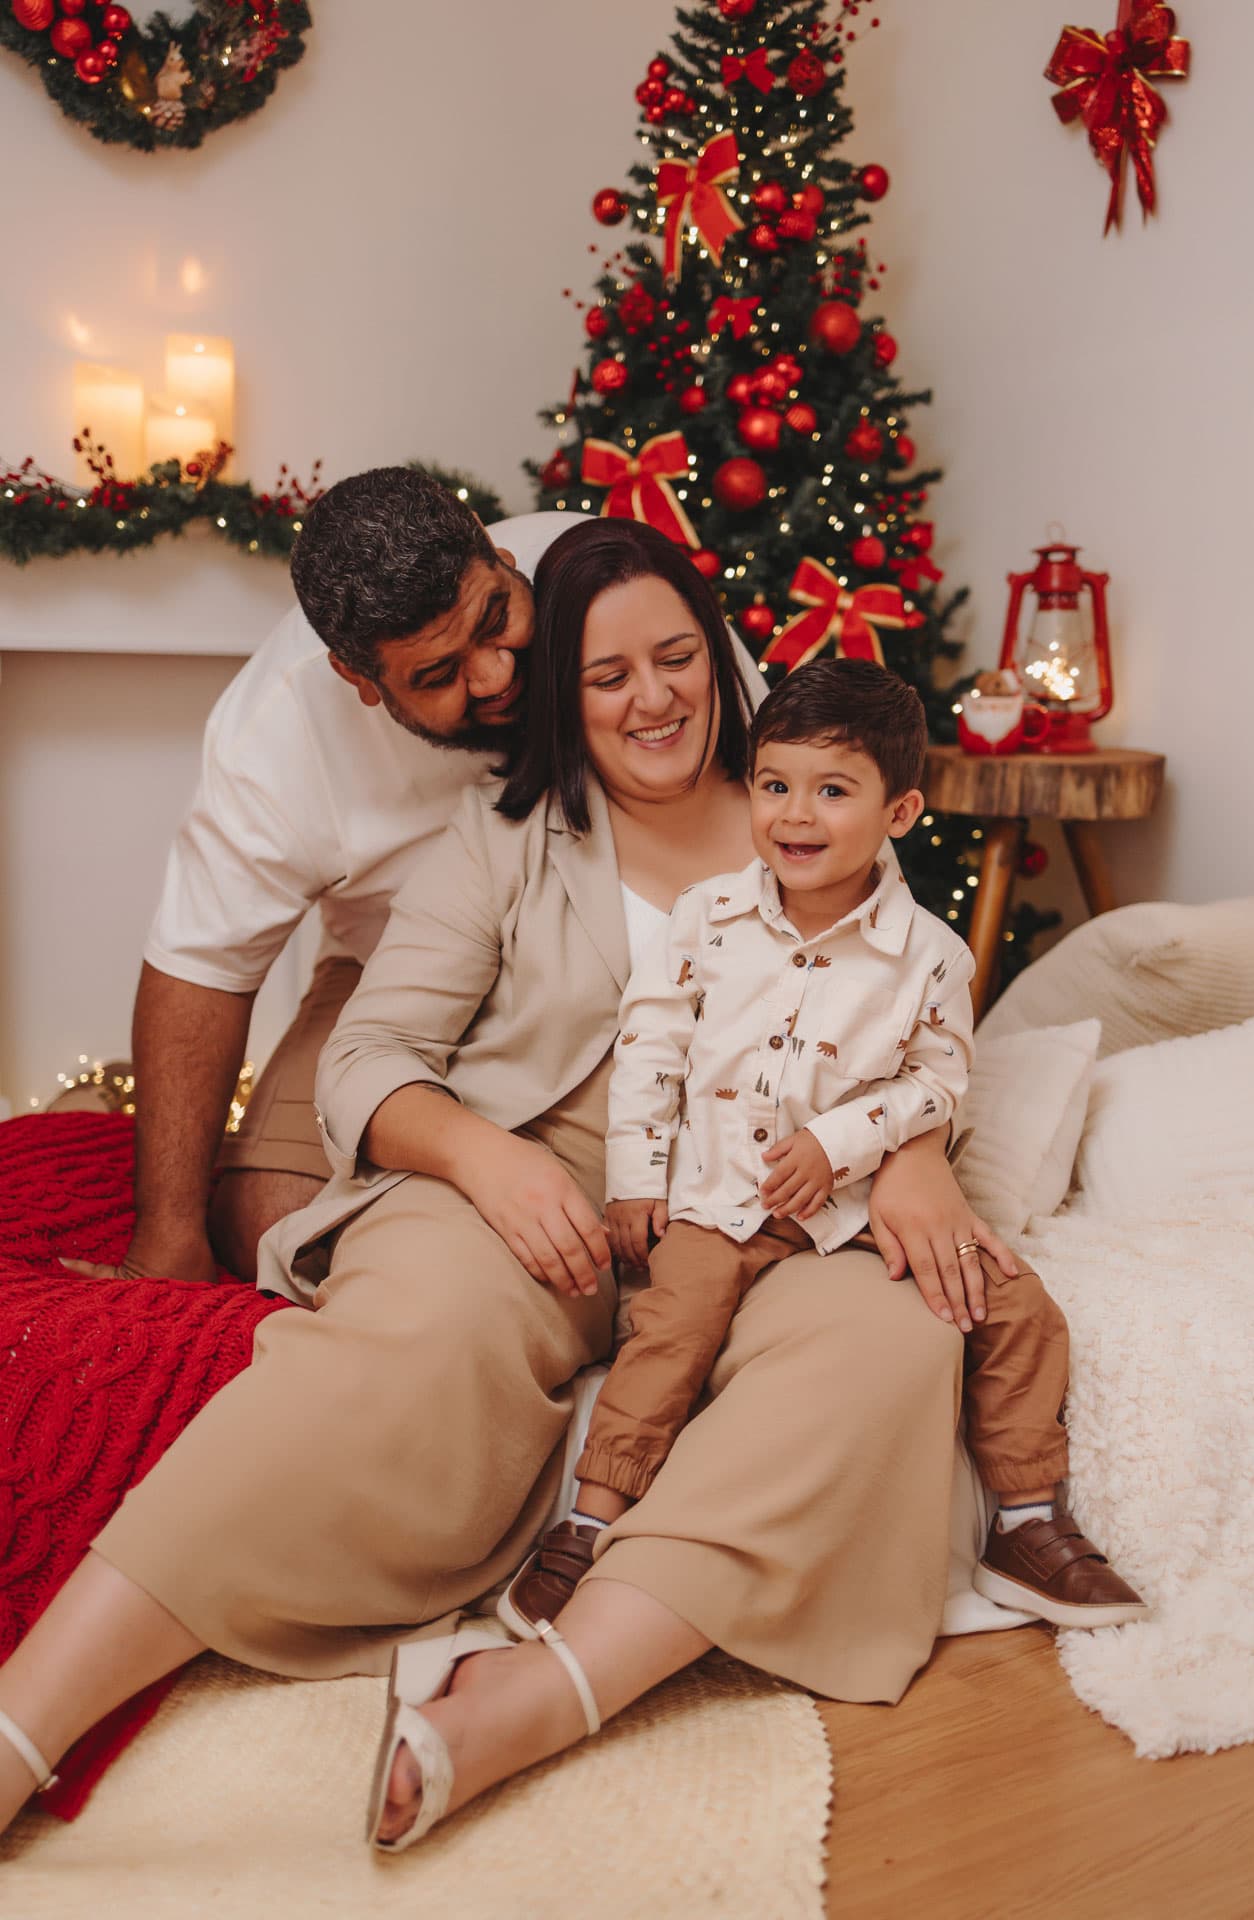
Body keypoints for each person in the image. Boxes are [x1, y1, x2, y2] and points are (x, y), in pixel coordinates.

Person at [0, 519, 1018, 1855]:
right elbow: (370, 1054)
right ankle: (25, 1721)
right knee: (415, 1332)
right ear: (562, 697)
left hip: (768, 1196)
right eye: (606, 677)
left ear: (717, 654)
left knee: (898, 1335)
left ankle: (538, 1697)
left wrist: (918, 1158)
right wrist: (485, 1159)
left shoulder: (811, 820)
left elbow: (917, 1018)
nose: (651, 699)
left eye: (675, 658)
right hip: (526, 1179)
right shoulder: (502, 838)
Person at [499, 659, 1146, 1642]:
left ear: (900, 812)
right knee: (672, 1330)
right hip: (718, 1198)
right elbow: (650, 1050)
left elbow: (934, 1084)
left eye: (832, 791)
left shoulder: (929, 956)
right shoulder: (705, 920)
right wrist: (633, 1183)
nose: (795, 816)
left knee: (1016, 1307)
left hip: (849, 1211)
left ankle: (1026, 1523)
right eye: (775, 785)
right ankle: (589, 1523)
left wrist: (836, 1143)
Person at [63, 469, 593, 1287]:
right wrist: (166, 1234)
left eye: (496, 619)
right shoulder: (276, 735)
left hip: (625, 959)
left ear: (498, 553)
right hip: (393, 978)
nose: (493, 675)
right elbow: (203, 967)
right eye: (437, 675)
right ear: (358, 679)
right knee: (277, 1223)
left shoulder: (610, 580)